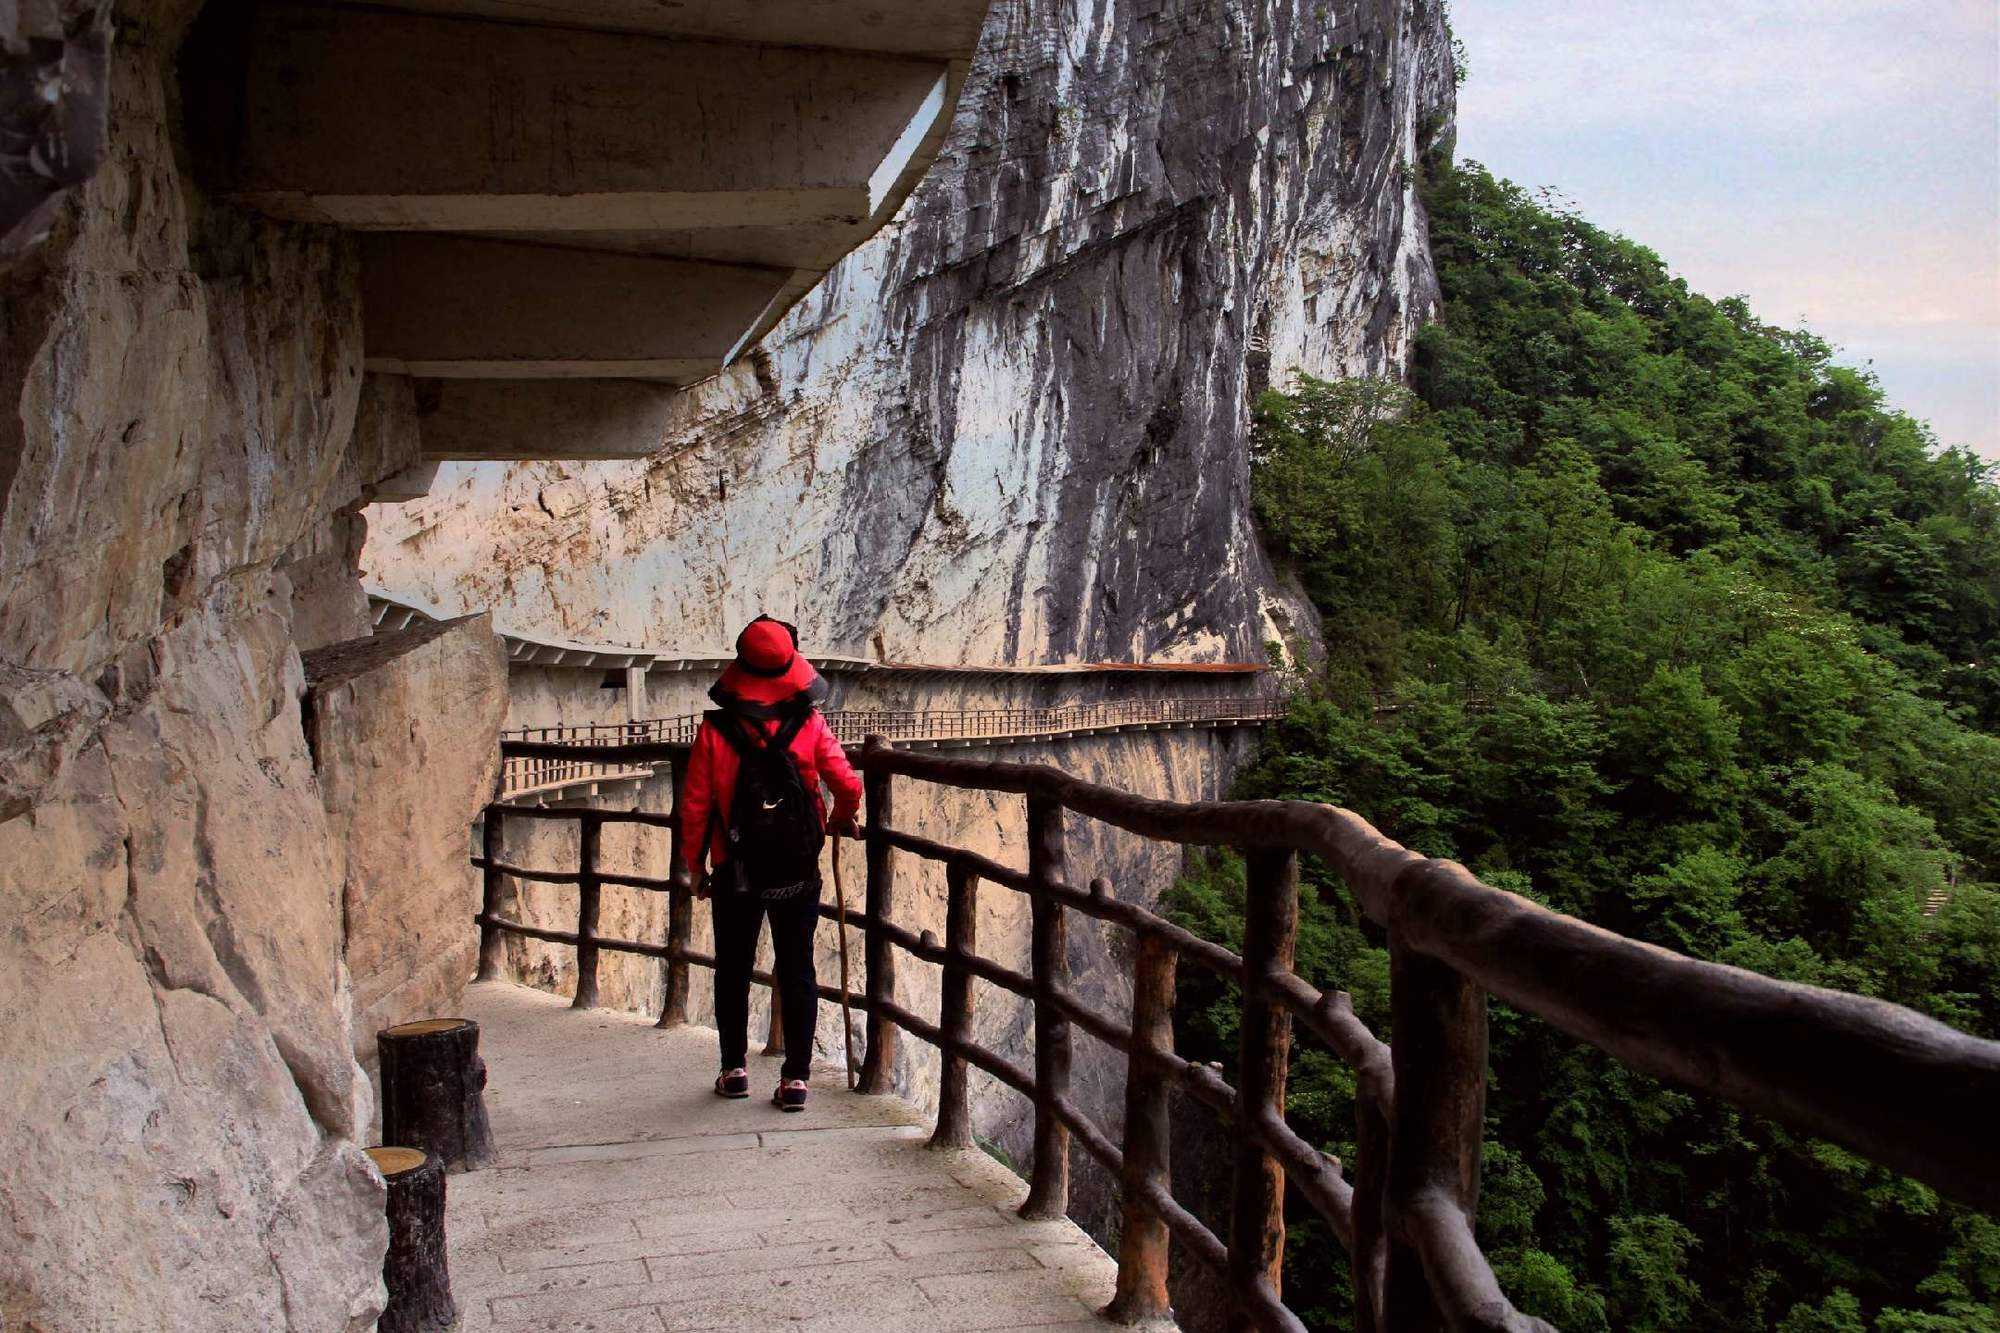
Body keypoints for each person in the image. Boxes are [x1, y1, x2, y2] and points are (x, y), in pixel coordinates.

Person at [677, 615, 862, 1112]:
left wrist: (694, 866)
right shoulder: (810, 724)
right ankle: (795, 1080)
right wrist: (840, 820)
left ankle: (733, 1070)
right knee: (797, 966)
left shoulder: (715, 730)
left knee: (733, 967)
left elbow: (695, 805)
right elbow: (848, 784)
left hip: (734, 866)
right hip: (795, 867)